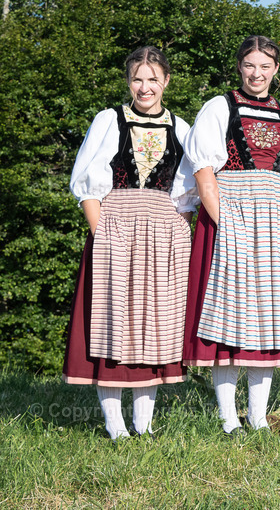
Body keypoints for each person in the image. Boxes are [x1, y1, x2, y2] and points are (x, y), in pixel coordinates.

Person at [181, 35, 280, 436]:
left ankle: (257, 417)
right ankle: (227, 418)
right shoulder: (219, 107)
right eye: (250, 65)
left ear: (276, 70)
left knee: (269, 318)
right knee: (231, 318)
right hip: (231, 215)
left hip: (277, 224)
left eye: (265, 66)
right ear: (239, 67)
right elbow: (204, 171)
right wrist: (224, 221)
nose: (257, 74)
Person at [63, 46, 198, 439]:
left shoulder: (182, 128)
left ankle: (144, 423)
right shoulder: (109, 120)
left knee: (157, 325)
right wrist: (100, 233)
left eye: (153, 78)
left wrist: (179, 233)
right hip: (115, 227)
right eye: (138, 78)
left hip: (164, 234)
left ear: (166, 81)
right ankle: (115, 425)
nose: (145, 87)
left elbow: (186, 194)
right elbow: (86, 185)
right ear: (128, 81)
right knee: (114, 321)